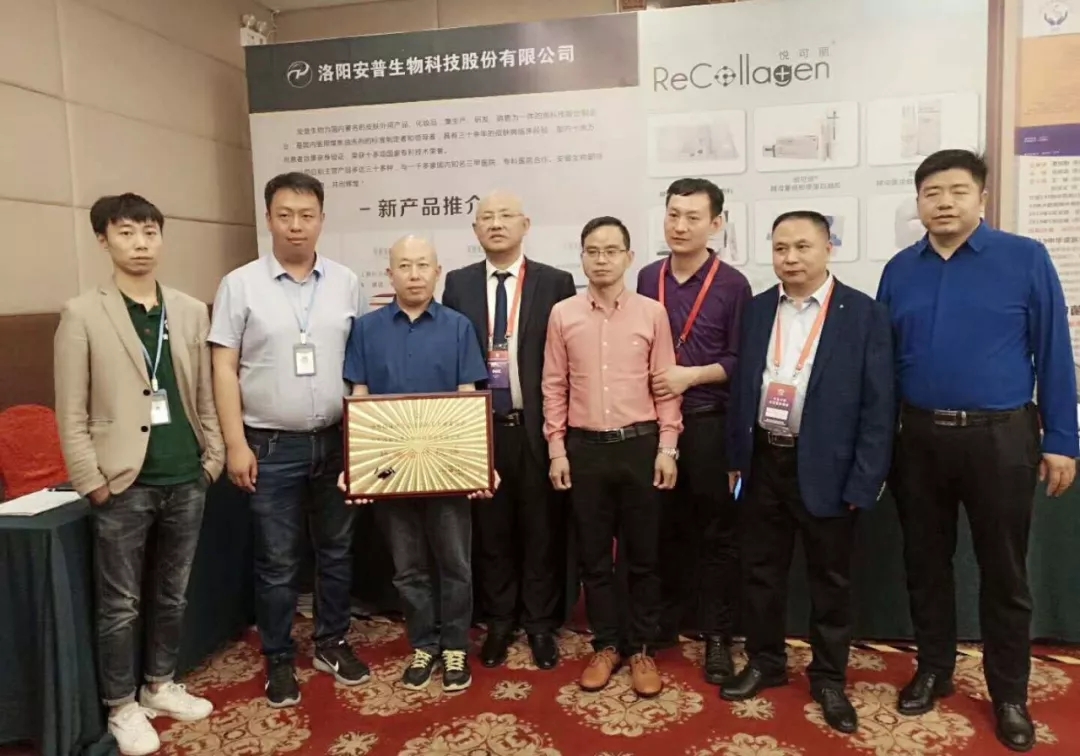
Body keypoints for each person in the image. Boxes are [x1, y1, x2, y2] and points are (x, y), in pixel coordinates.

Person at [877, 149, 1078, 752]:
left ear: (982, 198)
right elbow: (882, 365)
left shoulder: (1024, 258)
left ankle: (1009, 692)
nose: (944, 203)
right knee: (925, 563)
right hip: (919, 438)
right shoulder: (899, 270)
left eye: (957, 191)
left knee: (1004, 572)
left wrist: (1062, 440)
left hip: (1001, 437)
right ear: (918, 202)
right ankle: (934, 669)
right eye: (932, 192)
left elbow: (1054, 350)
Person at [54, 193, 225, 756]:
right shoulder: (83, 313)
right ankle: (121, 705)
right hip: (122, 481)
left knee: (172, 593)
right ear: (103, 240)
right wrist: (90, 480)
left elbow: (203, 394)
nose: (141, 244)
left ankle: (159, 684)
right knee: (120, 604)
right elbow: (70, 410)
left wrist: (212, 459)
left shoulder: (189, 310)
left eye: (150, 232)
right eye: (126, 233)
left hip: (186, 474)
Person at [722, 211, 894, 735]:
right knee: (761, 572)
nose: (790, 258)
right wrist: (736, 459)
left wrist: (864, 479)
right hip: (764, 461)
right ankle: (766, 662)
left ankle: (829, 678)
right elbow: (743, 389)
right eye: (780, 248)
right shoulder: (756, 310)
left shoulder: (863, 314)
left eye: (802, 247)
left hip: (828, 466)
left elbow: (879, 406)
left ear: (827, 249)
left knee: (831, 580)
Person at [209, 172, 368, 708]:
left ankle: (332, 642)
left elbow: (361, 363)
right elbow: (223, 366)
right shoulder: (240, 284)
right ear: (269, 219)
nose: (296, 226)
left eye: (306, 215)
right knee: (277, 561)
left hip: (337, 440)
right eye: (285, 215)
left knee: (337, 551)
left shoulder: (346, 282)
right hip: (270, 444)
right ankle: (278, 656)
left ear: (321, 219)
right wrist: (235, 442)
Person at [341, 235, 495, 693]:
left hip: (448, 470)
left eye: (423, 265)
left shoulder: (459, 327)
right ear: (389, 274)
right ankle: (423, 644)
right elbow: (359, 398)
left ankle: (455, 646)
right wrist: (356, 467)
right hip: (390, 472)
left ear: (437, 271)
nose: (414, 274)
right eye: (404, 266)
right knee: (407, 568)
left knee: (455, 564)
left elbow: (468, 398)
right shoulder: (366, 329)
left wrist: (479, 465)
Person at [542, 216, 683, 698]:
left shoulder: (652, 313)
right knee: (594, 557)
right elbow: (554, 386)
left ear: (629, 257)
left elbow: (665, 385)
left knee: (644, 556)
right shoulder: (563, 314)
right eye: (592, 251)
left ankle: (641, 647)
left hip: (640, 446)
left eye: (611, 250)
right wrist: (557, 449)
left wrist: (668, 447)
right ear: (582, 257)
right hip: (584, 450)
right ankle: (605, 644)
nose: (601, 259)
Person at [442, 191, 577, 670]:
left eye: (505, 216)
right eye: (486, 217)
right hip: (483, 428)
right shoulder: (458, 284)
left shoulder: (555, 282)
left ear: (526, 224)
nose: (496, 224)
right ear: (475, 230)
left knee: (542, 527)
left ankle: (540, 623)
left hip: (537, 427)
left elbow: (567, 359)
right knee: (491, 529)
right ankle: (499, 621)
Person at [636, 178, 751, 684]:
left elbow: (741, 361)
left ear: (716, 223)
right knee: (659, 528)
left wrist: (692, 375)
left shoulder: (733, 285)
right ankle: (661, 623)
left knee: (715, 534)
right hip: (653, 426)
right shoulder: (646, 277)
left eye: (693, 217)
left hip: (707, 423)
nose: (680, 226)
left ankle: (718, 636)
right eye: (673, 215)